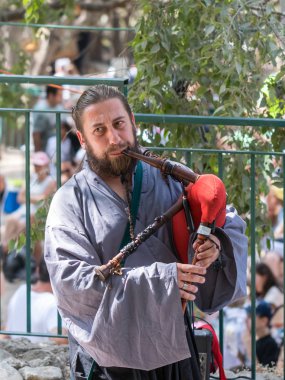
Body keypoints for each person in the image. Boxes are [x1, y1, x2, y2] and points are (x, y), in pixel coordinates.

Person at [44, 85, 248, 380]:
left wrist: (214, 244)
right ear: (83, 139)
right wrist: (163, 281)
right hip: (108, 359)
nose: (114, 139)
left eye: (118, 124)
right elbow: (72, 282)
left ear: (133, 122)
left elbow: (224, 220)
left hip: (174, 349)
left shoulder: (172, 179)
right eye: (99, 130)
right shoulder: (69, 202)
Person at [2, 151, 56, 256]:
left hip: (39, 214)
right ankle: (7, 250)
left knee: (25, 225)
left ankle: (8, 251)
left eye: (39, 165)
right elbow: (19, 198)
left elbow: (44, 199)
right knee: (10, 221)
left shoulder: (51, 181)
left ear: (45, 166)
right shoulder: (31, 178)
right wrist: (34, 198)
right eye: (35, 165)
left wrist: (27, 197)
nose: (37, 168)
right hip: (25, 211)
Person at [4, 257, 67, 344]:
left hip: (14, 353)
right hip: (40, 355)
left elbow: (7, 332)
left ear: (37, 270)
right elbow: (60, 339)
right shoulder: (53, 303)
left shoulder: (21, 290)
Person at [246, 301, 280, 368]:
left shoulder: (271, 344)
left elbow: (265, 375)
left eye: (251, 316)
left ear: (264, 320)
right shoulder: (258, 342)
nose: (247, 320)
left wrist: (249, 348)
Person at [32, 85, 63, 152]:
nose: (61, 98)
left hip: (58, 148)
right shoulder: (41, 110)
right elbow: (36, 134)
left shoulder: (59, 107)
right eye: (59, 96)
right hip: (45, 149)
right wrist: (39, 154)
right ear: (51, 96)